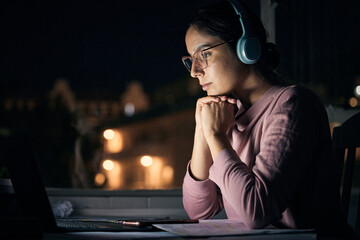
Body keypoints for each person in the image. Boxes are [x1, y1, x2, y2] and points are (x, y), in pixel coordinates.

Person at [181, 0, 356, 238]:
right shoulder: (227, 113)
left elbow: (256, 212)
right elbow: (199, 211)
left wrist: (215, 135)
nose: (195, 71)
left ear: (245, 47)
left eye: (205, 54)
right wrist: (202, 130)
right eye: (192, 59)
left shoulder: (293, 104)